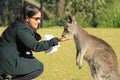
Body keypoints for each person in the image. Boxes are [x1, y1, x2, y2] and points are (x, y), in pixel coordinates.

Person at [0, 5, 69, 80]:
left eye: (40, 19)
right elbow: (36, 46)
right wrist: (55, 40)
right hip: (7, 59)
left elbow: (29, 42)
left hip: (7, 56)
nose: (39, 21)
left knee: (31, 60)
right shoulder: (22, 30)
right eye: (36, 19)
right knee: (38, 68)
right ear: (27, 18)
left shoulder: (18, 24)